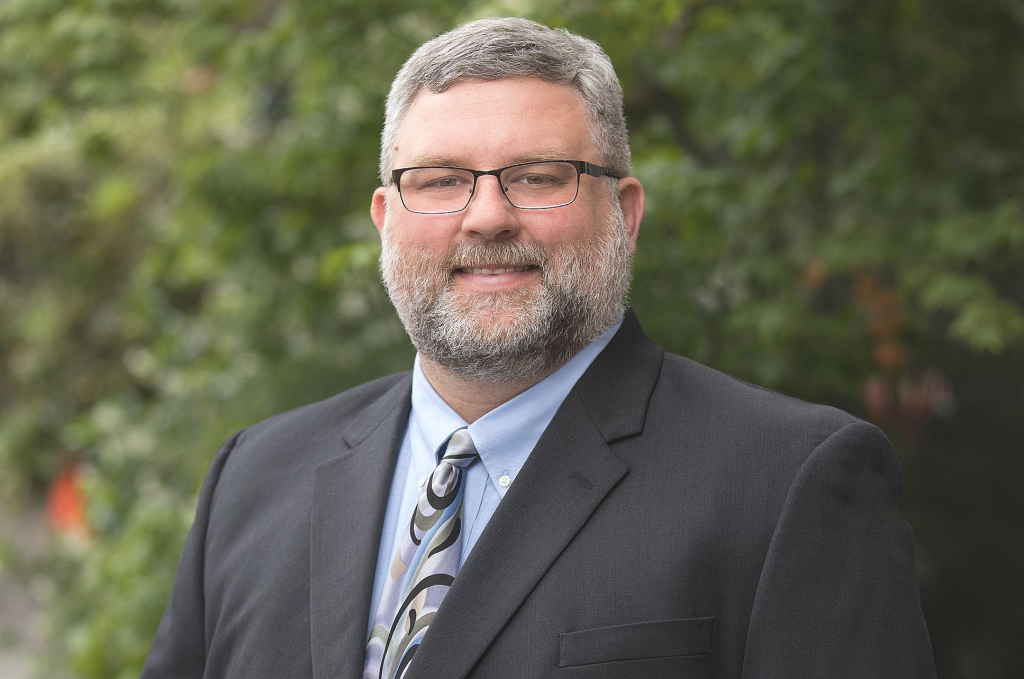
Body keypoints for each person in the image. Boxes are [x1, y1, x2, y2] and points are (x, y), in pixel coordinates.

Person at [142, 17, 937, 679]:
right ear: (386, 218)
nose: (486, 216)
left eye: (537, 176)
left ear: (624, 213)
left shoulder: (788, 480)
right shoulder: (253, 478)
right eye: (441, 179)